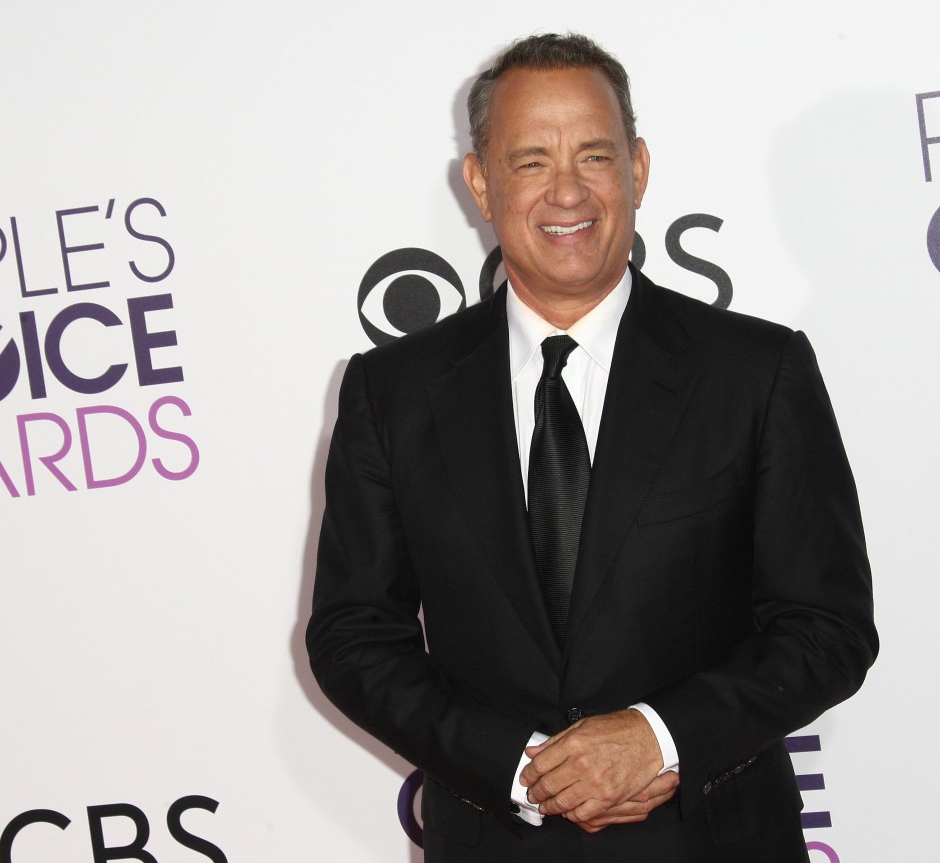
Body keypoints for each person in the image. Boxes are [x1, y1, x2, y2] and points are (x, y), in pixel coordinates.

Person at [305, 32, 877, 862]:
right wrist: (516, 765)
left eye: (595, 156)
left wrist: (660, 735)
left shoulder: (756, 372)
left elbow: (828, 627)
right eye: (531, 160)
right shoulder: (391, 392)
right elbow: (353, 635)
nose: (567, 190)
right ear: (481, 182)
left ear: (637, 168)